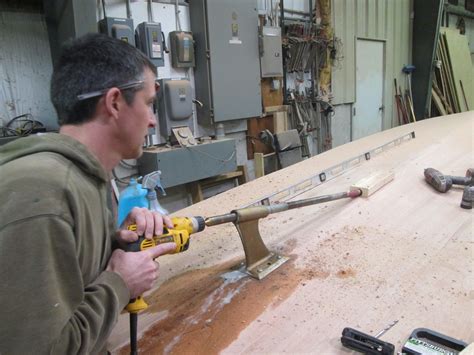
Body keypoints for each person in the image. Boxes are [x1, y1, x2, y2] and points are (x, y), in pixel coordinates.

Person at [0, 33, 175, 353]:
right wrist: (121, 283)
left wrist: (113, 243)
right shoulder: (42, 194)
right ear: (114, 103)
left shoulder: (87, 178)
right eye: (149, 104)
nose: (152, 121)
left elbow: (70, 284)